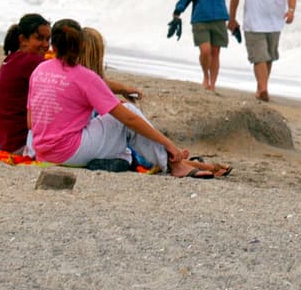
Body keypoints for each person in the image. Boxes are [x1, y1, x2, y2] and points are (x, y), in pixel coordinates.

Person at [27, 19, 203, 175]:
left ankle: (128, 159)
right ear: (81, 45)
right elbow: (129, 119)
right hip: (69, 153)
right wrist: (169, 143)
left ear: (54, 46)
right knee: (127, 110)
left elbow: (31, 122)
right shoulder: (86, 77)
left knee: (112, 121)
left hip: (41, 151)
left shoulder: (39, 70)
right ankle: (174, 164)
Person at [79, 25, 230, 177]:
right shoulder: (88, 81)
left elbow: (102, 84)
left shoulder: (75, 75)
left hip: (83, 140)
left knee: (131, 130)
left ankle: (185, 162)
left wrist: (123, 90)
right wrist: (168, 144)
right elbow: (109, 97)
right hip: (84, 142)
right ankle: (186, 163)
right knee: (136, 139)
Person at [172, 0, 265, 91]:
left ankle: (213, 84)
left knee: (215, 52)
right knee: (205, 51)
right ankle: (205, 77)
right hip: (200, 18)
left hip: (219, 18)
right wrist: (177, 12)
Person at [228, 0, 298, 102]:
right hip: (253, 23)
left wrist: (291, 11)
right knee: (259, 57)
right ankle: (263, 88)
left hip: (275, 23)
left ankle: (261, 88)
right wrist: (232, 18)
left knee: (269, 57)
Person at [0, 13, 51, 154]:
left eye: (48, 39)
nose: (45, 45)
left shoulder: (13, 58)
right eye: (39, 38)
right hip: (19, 145)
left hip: (4, 142)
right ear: (23, 39)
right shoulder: (31, 61)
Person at [80, 26, 144, 101]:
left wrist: (123, 89)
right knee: (128, 106)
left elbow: (100, 84)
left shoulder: (72, 72)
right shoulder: (89, 80)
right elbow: (98, 85)